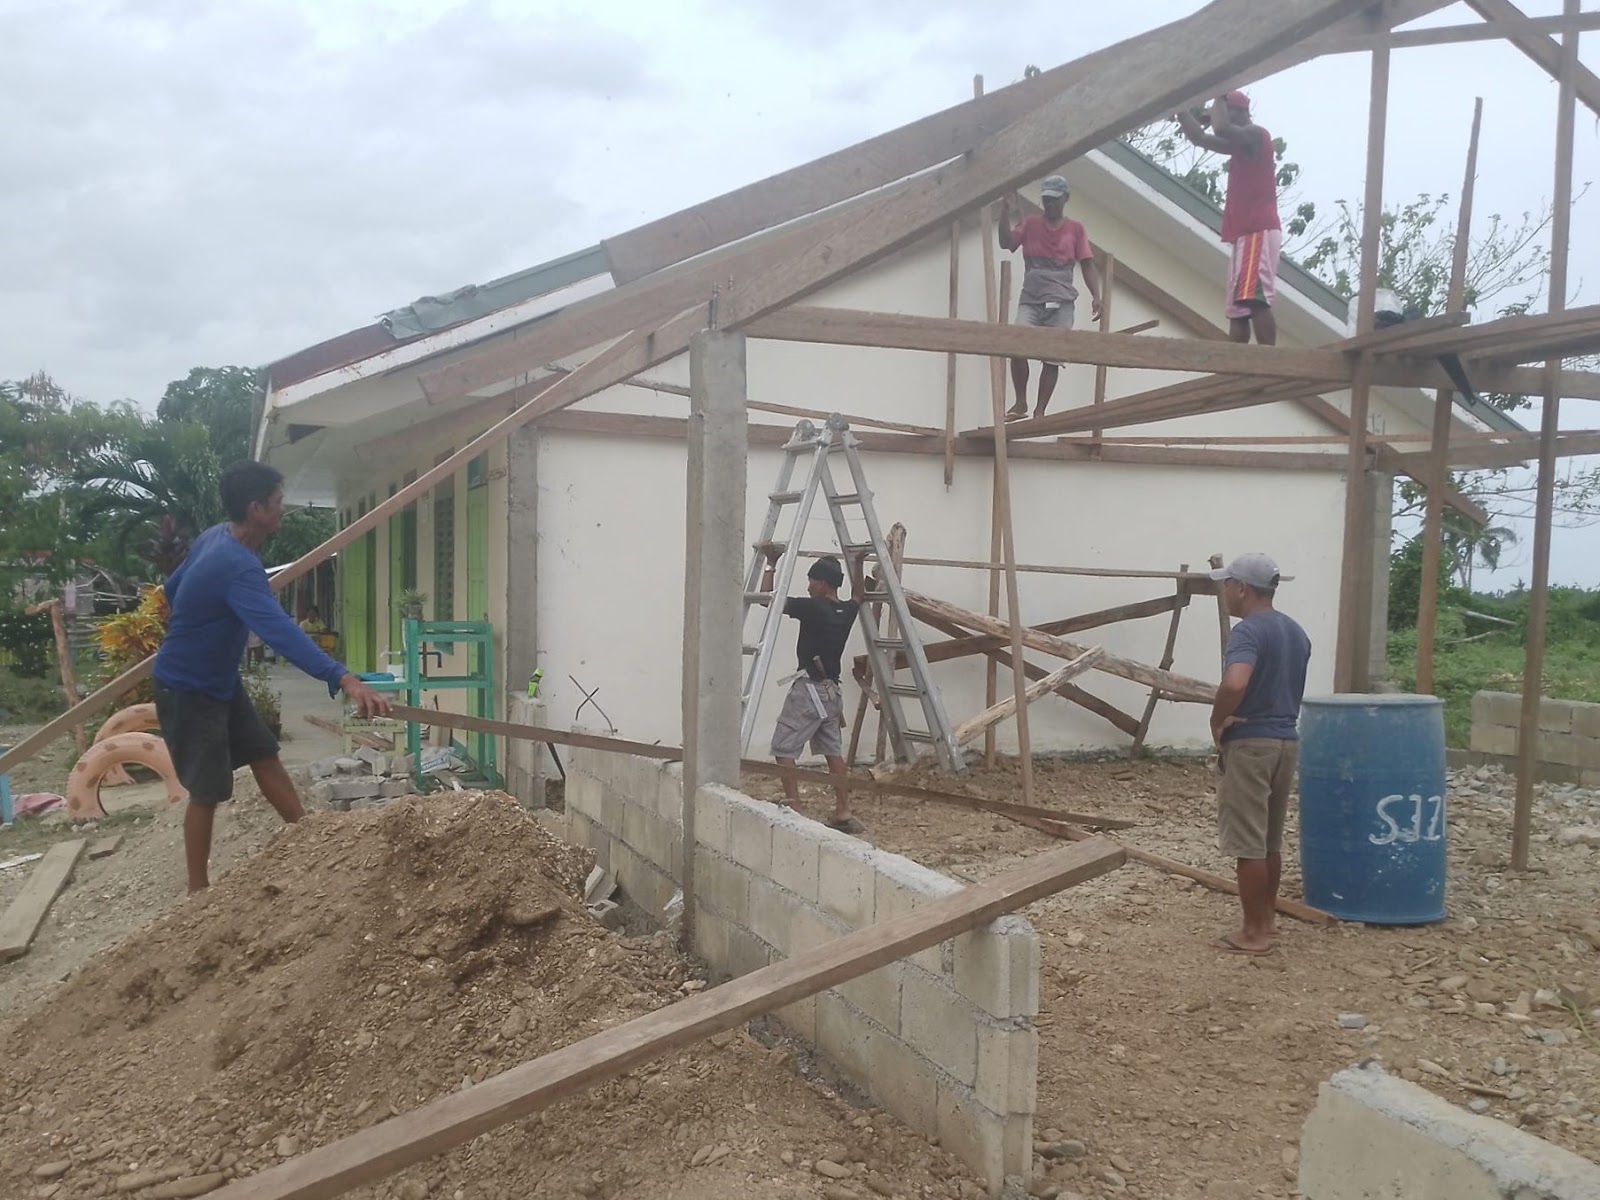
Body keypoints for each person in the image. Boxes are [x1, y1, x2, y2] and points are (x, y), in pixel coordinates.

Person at [153, 462, 392, 894]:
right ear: (256, 508)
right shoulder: (236, 563)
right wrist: (343, 677)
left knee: (264, 753)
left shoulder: (216, 536)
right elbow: (281, 632)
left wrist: (202, 621)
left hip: (219, 682)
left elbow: (173, 588)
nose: (284, 508)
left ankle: (308, 838)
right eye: (278, 502)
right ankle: (197, 893)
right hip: (189, 688)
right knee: (207, 790)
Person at [1207, 552, 1311, 956]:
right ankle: (1266, 920)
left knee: (1248, 843)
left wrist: (1219, 718)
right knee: (1269, 840)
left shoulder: (1248, 632)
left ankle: (1252, 934)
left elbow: (1236, 682)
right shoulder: (1295, 631)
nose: (1225, 592)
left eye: (1227, 584)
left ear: (1242, 589)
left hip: (1252, 743)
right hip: (1286, 740)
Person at [760, 551, 866, 834]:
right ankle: (843, 811)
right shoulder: (846, 612)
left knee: (783, 748)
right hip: (832, 694)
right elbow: (858, 595)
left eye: (812, 581)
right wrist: (858, 562)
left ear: (825, 584)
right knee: (833, 752)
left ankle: (793, 807)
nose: (808, 587)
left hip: (808, 692)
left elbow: (765, 600)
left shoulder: (813, 608)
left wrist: (771, 563)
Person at [1175, 91, 1282, 345]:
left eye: (1222, 111)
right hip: (1244, 234)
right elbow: (1199, 137)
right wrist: (1179, 108)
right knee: (1238, 310)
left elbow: (1220, 127)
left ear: (1241, 113)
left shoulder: (1258, 135)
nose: (1214, 120)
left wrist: (1218, 91)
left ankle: (1269, 366)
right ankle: (1236, 370)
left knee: (1255, 299)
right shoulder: (1241, 146)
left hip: (1257, 229)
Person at [997, 175, 1103, 420]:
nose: (1050, 205)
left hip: (1062, 300)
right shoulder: (1031, 224)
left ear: (1065, 199)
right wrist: (1005, 213)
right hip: (1032, 298)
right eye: (1046, 200)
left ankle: (1040, 410)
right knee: (1017, 345)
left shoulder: (1075, 230)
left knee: (1053, 357)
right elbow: (1006, 242)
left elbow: (1087, 264)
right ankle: (1021, 402)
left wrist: (1096, 296)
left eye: (1054, 200)